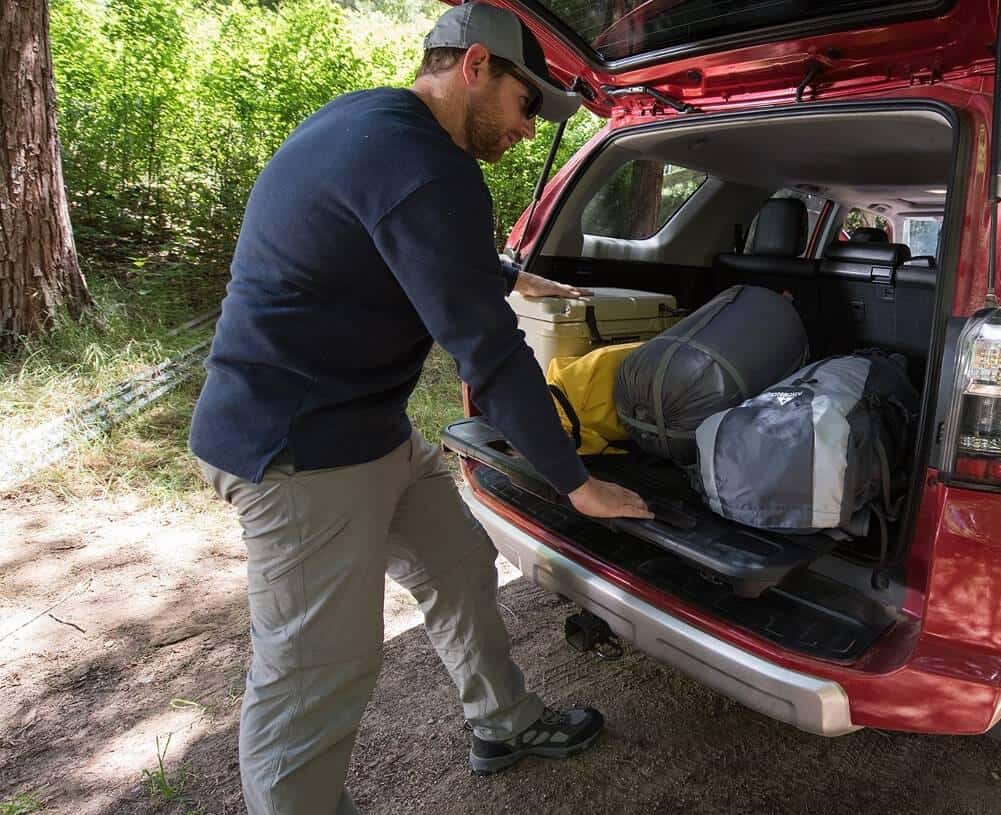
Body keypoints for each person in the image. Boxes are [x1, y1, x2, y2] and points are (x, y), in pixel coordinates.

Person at [188, 4, 653, 813]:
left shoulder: (376, 123)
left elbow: (408, 244)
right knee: (317, 671)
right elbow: (491, 353)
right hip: (298, 452)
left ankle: (503, 721)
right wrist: (574, 482)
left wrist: (508, 273)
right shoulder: (423, 165)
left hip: (364, 427)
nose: (526, 126)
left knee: (459, 567)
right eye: (526, 103)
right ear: (475, 65)